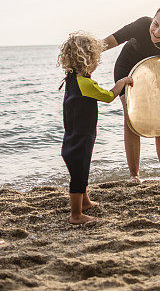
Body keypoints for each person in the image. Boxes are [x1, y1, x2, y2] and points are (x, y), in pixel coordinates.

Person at [102, 2, 160, 184]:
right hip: (127, 69)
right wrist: (85, 51)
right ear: (153, 17)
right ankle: (134, 175)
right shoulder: (142, 25)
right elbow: (109, 41)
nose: (157, 32)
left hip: (153, 72)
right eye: (156, 24)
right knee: (131, 117)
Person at [57, 32, 133, 224]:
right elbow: (108, 96)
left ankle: (85, 202)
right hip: (80, 137)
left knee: (81, 171)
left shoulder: (71, 78)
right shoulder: (85, 83)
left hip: (74, 136)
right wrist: (121, 83)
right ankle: (76, 214)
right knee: (79, 175)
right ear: (89, 60)